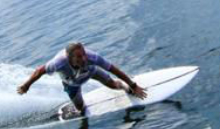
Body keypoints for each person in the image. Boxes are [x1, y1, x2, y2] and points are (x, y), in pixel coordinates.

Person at [18, 42, 147, 116]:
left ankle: (125, 87)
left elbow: (114, 70)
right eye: (79, 57)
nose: (84, 59)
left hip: (91, 72)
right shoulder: (58, 63)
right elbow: (39, 71)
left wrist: (133, 85)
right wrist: (26, 85)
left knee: (113, 85)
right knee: (80, 108)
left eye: (84, 54)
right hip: (71, 83)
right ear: (69, 57)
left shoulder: (93, 58)